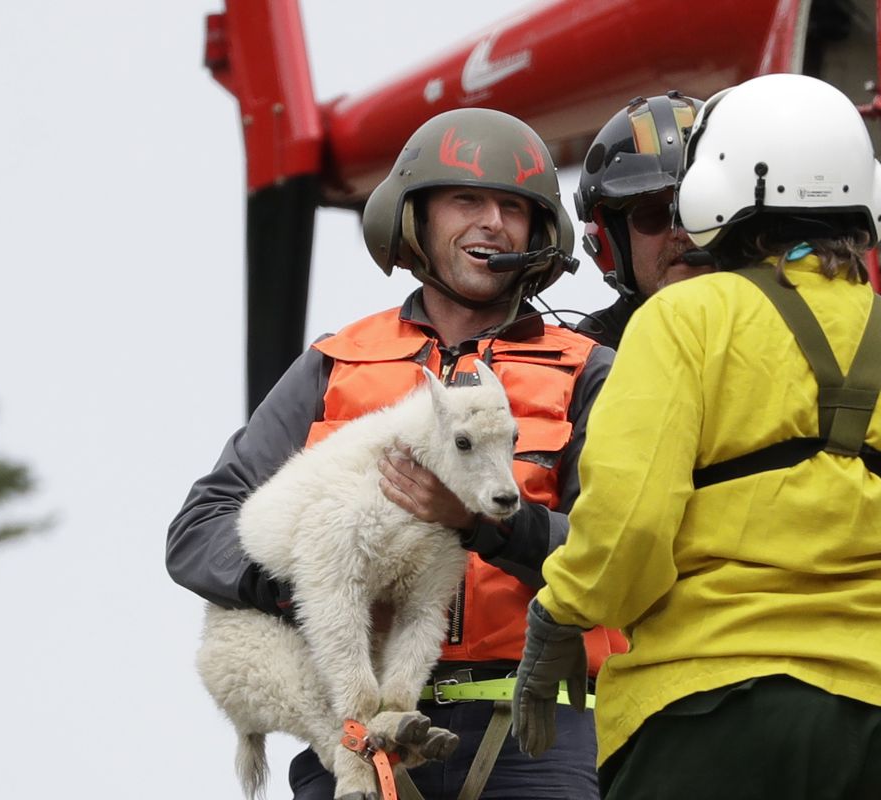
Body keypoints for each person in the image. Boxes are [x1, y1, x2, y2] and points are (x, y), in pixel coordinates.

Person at [511, 74, 881, 800]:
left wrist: (558, 618)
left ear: (714, 189)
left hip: (708, 711)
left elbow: (629, 521)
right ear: (868, 198)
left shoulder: (683, 321)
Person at [168, 107, 625, 800]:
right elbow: (198, 532)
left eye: (513, 207)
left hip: (536, 735)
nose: (492, 222)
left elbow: (621, 556)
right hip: (356, 738)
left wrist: (481, 523)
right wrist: (313, 589)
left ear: (539, 233)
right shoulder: (333, 364)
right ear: (416, 218)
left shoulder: (589, 371)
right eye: (465, 200)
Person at [573, 92, 714, 348]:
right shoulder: (582, 364)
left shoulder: (785, 331)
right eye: (653, 216)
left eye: (698, 209)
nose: (681, 233)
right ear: (610, 240)